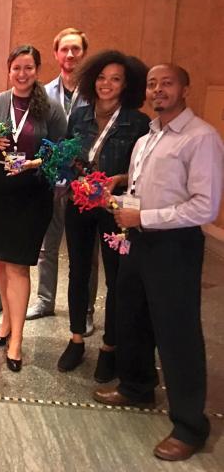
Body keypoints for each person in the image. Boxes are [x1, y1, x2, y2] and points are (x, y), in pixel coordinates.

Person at [94, 64, 223, 461]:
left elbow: (206, 206)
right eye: (152, 84)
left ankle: (189, 425)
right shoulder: (148, 137)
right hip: (139, 239)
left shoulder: (201, 138)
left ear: (185, 87)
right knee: (133, 314)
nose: (158, 90)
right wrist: (121, 198)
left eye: (167, 83)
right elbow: (141, 188)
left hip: (174, 247)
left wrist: (144, 217)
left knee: (177, 332)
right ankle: (137, 385)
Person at [0, 45, 67, 372]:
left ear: (37, 70)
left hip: (31, 193)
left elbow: (61, 153)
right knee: (1, 260)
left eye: (28, 68)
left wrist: (32, 163)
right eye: (17, 69)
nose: (22, 74)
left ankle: (16, 342)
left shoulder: (50, 109)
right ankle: (6, 325)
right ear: (9, 71)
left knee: (19, 266)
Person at [57, 51, 149, 381]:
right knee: (78, 271)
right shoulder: (79, 115)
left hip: (115, 209)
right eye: (101, 77)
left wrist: (118, 180)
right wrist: (73, 176)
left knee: (116, 277)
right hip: (80, 205)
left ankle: (110, 346)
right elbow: (67, 156)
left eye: (115, 79)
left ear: (127, 85)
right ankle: (76, 338)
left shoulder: (138, 122)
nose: (106, 84)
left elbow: (143, 168)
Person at [28, 28, 100, 331]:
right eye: (64, 50)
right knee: (48, 243)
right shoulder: (43, 93)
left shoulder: (97, 93)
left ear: (84, 54)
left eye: (76, 50)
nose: (70, 55)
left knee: (87, 249)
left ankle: (85, 308)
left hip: (86, 180)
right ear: (56, 54)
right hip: (52, 178)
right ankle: (45, 300)